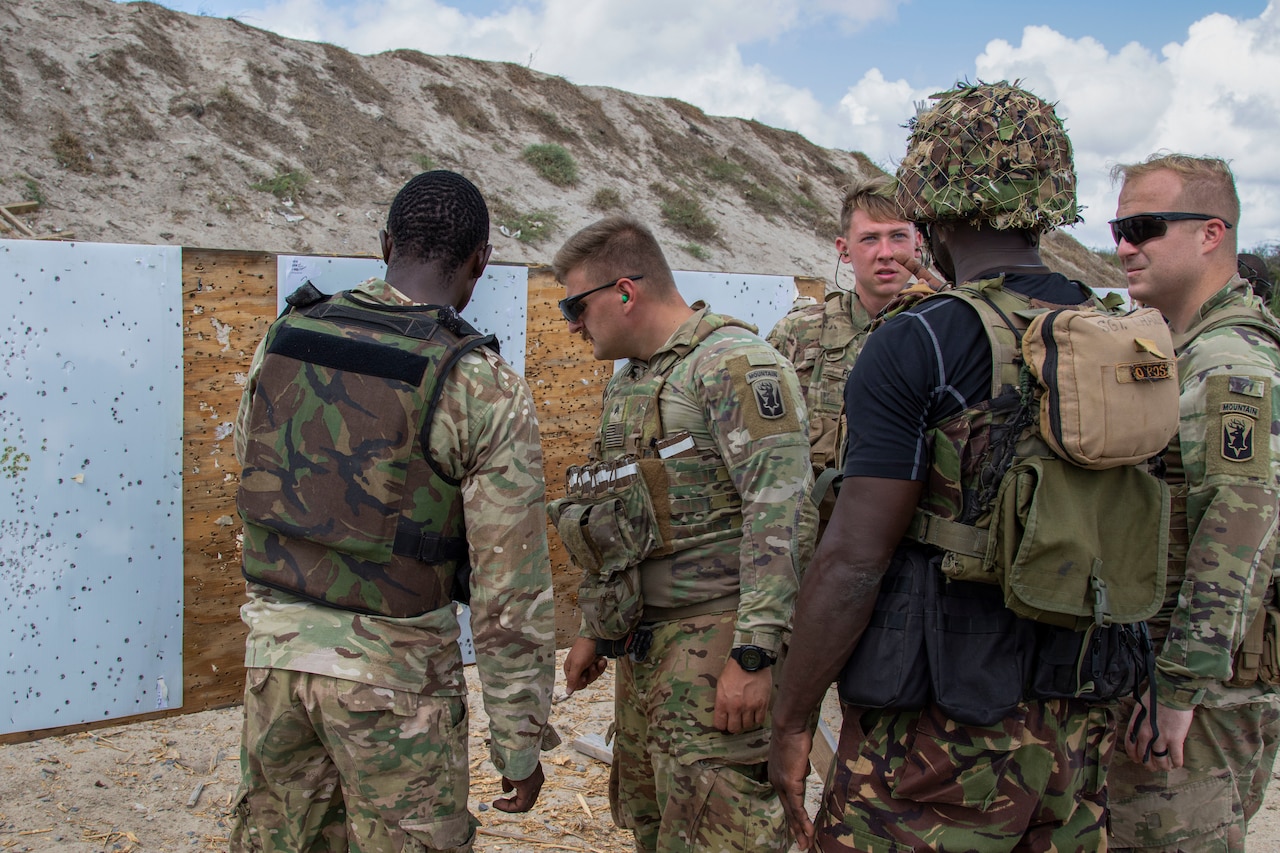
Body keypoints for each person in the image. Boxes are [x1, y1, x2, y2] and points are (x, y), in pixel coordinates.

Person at [770, 82, 1146, 852]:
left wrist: (793, 715)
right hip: (1079, 722)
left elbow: (851, 560)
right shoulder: (1114, 336)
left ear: (930, 207)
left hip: (942, 736)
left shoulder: (919, 340)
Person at [229, 170, 557, 853]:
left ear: (384, 244)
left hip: (276, 669)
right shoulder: (482, 385)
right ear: (481, 259)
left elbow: (251, 460)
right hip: (397, 683)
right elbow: (510, 590)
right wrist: (518, 741)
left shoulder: (284, 337)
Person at [551, 216, 816, 853]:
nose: (569, 323)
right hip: (646, 651)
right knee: (654, 824)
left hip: (715, 647)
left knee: (721, 827)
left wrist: (753, 656)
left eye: (574, 305)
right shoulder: (632, 381)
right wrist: (595, 627)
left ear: (624, 292)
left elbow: (781, 515)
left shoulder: (734, 365)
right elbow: (611, 513)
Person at [1106, 155, 1280, 852]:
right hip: (1170, 673)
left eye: (1145, 226)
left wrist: (1179, 689)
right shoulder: (1183, 347)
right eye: (1120, 227)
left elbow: (1240, 527)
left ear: (1212, 234)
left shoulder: (1230, 361)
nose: (1124, 245)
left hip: (1196, 696)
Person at [765, 175, 925, 529]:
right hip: (816, 536)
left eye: (898, 236)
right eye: (869, 238)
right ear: (844, 249)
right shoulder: (797, 335)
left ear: (918, 243)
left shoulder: (940, 332)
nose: (886, 253)